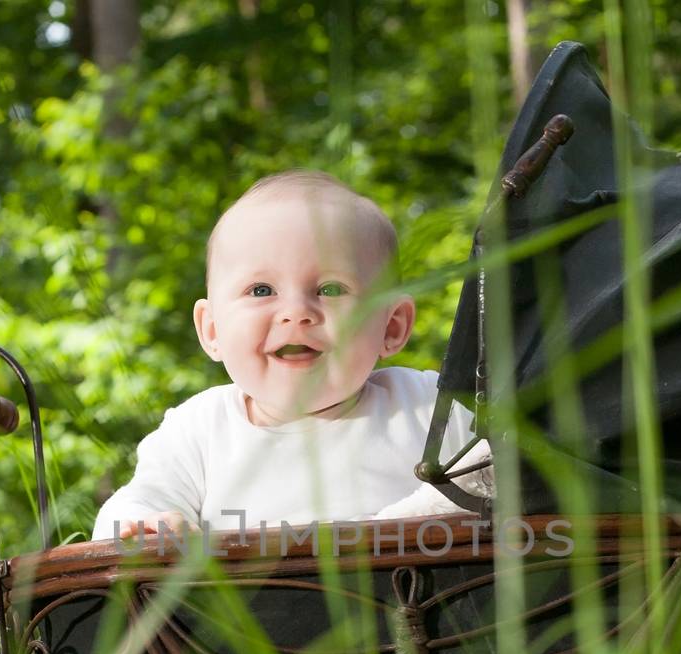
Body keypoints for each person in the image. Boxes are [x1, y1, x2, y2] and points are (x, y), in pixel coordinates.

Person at [93, 170, 481, 541]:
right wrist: (144, 525)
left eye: (330, 289)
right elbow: (131, 506)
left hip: (413, 602)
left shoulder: (431, 407)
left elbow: (508, 468)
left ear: (391, 326)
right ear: (212, 330)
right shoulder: (199, 431)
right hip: (253, 608)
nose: (296, 312)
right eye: (261, 290)